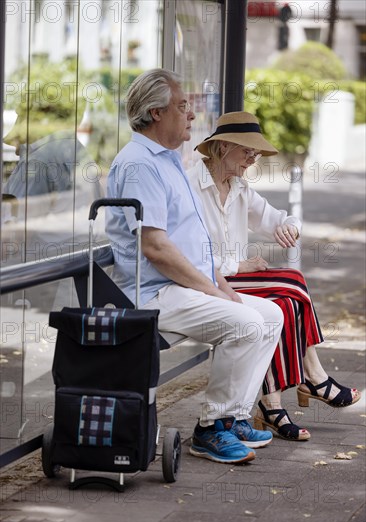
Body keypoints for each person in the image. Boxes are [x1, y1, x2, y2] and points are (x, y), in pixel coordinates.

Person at [105, 69, 284, 464]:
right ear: (156, 113)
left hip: (181, 285)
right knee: (247, 323)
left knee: (270, 314)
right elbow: (157, 249)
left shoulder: (169, 160)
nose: (191, 115)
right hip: (153, 292)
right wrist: (213, 290)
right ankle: (209, 429)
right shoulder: (139, 165)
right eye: (183, 106)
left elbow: (197, 242)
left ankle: (234, 416)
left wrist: (223, 286)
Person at [187, 111, 361, 441]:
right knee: (291, 284)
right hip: (206, 279)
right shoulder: (192, 186)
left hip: (233, 277)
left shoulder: (238, 187)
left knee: (284, 298)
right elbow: (191, 252)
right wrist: (238, 266)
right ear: (223, 147)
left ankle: (272, 405)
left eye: (256, 153)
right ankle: (312, 377)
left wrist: (286, 228)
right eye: (247, 152)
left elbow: (281, 218)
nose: (253, 159)